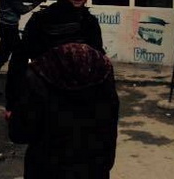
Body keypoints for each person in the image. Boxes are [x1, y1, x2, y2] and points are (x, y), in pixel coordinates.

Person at [8, 41, 119, 179]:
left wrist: (14, 116)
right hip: (94, 167)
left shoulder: (37, 74)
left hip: (46, 169)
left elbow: (19, 133)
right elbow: (110, 125)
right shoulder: (102, 70)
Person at [5, 0, 103, 113]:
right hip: (44, 102)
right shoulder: (41, 20)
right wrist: (12, 104)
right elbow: (19, 62)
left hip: (79, 103)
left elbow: (99, 65)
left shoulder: (90, 23)